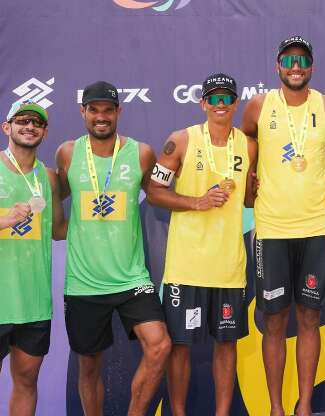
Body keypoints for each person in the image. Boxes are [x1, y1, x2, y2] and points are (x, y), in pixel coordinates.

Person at [56, 81, 171, 416]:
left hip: (131, 278)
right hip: (84, 281)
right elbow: (55, 195)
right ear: (83, 112)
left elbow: (160, 192)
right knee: (89, 367)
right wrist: (58, 228)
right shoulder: (68, 153)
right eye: (94, 110)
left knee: (160, 345)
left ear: (119, 112)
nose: (101, 117)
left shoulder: (142, 153)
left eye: (108, 110)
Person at [146, 73, 257, 416]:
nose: (220, 105)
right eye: (214, 98)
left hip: (227, 266)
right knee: (180, 347)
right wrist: (196, 202)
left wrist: (255, 187)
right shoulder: (180, 141)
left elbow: (251, 200)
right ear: (203, 103)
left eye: (227, 99)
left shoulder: (250, 145)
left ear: (236, 103)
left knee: (226, 346)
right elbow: (153, 191)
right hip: (187, 266)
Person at [241, 36, 325, 416]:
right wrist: (252, 185)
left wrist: (313, 187)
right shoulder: (257, 106)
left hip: (316, 227)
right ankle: (276, 408)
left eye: (302, 59)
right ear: (277, 66)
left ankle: (305, 406)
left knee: (310, 318)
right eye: (288, 60)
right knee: (275, 321)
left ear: (311, 66)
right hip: (272, 229)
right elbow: (246, 151)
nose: (295, 66)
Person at [0, 100, 66, 416]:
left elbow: (57, 230)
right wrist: (4, 219)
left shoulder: (49, 178)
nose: (29, 126)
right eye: (22, 120)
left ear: (44, 131)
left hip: (34, 302)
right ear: (6, 127)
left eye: (36, 123)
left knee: (26, 383)